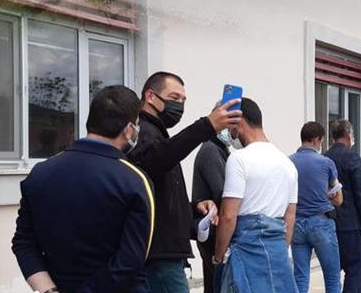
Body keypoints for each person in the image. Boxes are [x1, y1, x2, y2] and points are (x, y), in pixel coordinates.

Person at [12, 86, 154, 293]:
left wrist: (48, 290)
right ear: (129, 129)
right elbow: (131, 260)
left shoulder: (40, 173)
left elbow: (23, 242)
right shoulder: (134, 180)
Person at [127, 73, 241, 293]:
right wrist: (206, 125)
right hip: (158, 254)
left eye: (183, 100)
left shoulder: (159, 134)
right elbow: (157, 161)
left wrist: (193, 209)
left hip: (168, 253)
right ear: (150, 96)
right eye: (174, 97)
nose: (179, 105)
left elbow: (162, 195)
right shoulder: (142, 132)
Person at [213, 98, 299, 293]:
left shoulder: (239, 159)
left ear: (239, 122)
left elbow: (228, 216)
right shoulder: (288, 164)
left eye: (230, 127)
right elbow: (290, 218)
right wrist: (278, 249)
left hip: (246, 248)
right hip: (278, 249)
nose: (229, 134)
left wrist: (218, 258)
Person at [290, 122, 343, 293]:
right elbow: (338, 199)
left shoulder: (288, 162)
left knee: (300, 277)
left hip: (296, 224)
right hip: (321, 223)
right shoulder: (326, 162)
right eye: (321, 141)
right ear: (315, 140)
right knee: (332, 277)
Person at [324, 120, 361, 293]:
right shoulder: (352, 157)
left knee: (332, 273)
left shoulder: (324, 157)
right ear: (347, 136)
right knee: (355, 271)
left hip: (329, 222)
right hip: (351, 224)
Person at [191, 124, 232, 293]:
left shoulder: (219, 149)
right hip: (214, 233)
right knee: (218, 284)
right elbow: (224, 193)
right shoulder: (210, 151)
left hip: (213, 233)